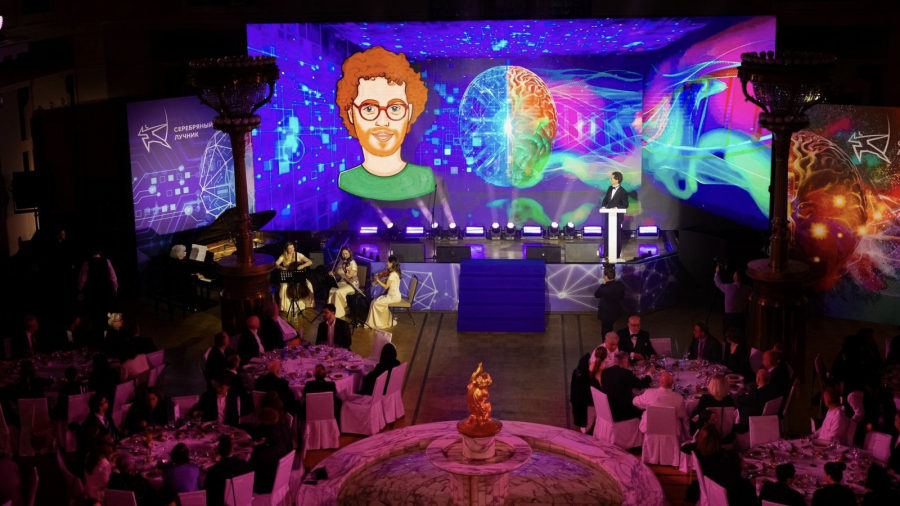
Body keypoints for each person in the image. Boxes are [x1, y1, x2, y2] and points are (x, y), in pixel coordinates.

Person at [335, 46, 435, 201]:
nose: (383, 121)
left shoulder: (425, 179)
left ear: (409, 113)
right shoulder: (346, 180)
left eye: (395, 108)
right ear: (351, 114)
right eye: (369, 108)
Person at [600, 351, 651, 422]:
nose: (628, 364)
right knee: (645, 409)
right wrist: (649, 374)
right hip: (623, 413)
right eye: (627, 362)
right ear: (623, 362)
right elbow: (641, 385)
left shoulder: (605, 372)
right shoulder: (626, 373)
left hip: (609, 410)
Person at [249, 408, 291, 494]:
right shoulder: (281, 429)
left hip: (270, 477)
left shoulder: (272, 434)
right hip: (280, 463)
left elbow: (260, 458)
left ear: (267, 421)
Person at [633, 371, 685, 439]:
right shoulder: (679, 398)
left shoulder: (649, 393)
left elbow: (635, 402)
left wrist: (646, 404)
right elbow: (682, 415)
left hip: (650, 431)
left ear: (660, 382)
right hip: (671, 433)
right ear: (672, 384)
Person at [78, 245, 118, 329]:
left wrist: (81, 292)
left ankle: (97, 331)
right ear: (99, 252)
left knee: (95, 315)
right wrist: (115, 289)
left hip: (93, 293)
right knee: (105, 314)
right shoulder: (107, 261)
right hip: (105, 292)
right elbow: (113, 277)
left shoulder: (87, 263)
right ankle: (105, 331)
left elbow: (82, 280)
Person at [204, 435, 251, 506]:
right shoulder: (243, 465)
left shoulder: (213, 471)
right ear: (232, 449)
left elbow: (208, 495)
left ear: (219, 451)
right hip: (240, 501)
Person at [734, 369, 780, 433]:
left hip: (753, 421)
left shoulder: (757, 394)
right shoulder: (774, 390)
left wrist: (741, 394)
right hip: (767, 419)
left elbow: (740, 400)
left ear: (757, 379)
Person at [713, 264, 752, 336]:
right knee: (740, 334)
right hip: (742, 316)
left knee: (728, 334)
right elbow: (751, 297)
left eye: (735, 274)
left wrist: (717, 273)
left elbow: (718, 283)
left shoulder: (729, 287)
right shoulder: (748, 289)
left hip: (730, 317)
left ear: (736, 277)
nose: (733, 276)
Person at [275, 242, 314, 313]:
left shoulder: (298, 254)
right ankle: (285, 307)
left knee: (308, 284)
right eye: (289, 248)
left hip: (298, 275)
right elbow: (276, 264)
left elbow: (310, 262)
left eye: (292, 247)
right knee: (284, 286)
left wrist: (302, 266)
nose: (292, 249)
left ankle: (308, 304)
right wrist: (281, 268)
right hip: (288, 275)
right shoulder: (283, 256)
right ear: (286, 250)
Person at [366, 256, 402, 329]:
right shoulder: (393, 273)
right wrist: (376, 282)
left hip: (394, 297)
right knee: (373, 302)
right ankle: (373, 322)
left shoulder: (393, 274)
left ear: (391, 263)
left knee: (376, 303)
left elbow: (386, 286)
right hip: (390, 296)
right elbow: (386, 281)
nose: (387, 263)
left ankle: (381, 322)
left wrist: (377, 280)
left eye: (388, 262)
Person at [599, 170, 628, 259]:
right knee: (607, 234)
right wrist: (603, 206)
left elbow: (625, 204)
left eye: (612, 178)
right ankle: (606, 253)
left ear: (617, 180)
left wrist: (615, 208)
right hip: (609, 216)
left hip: (617, 217)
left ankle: (616, 254)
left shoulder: (623, 191)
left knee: (616, 235)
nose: (610, 180)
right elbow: (605, 200)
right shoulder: (610, 188)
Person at [328, 247, 360, 318]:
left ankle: (344, 310)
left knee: (338, 292)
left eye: (346, 253)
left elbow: (350, 276)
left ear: (349, 253)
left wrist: (346, 270)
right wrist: (332, 273)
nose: (344, 255)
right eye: (343, 254)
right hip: (343, 282)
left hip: (352, 284)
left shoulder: (352, 263)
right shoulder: (341, 261)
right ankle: (332, 310)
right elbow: (336, 273)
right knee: (332, 290)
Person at [594, 266, 624, 338]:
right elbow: (622, 297)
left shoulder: (604, 287)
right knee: (610, 328)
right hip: (615, 312)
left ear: (606, 277)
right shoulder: (620, 285)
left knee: (605, 331)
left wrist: (603, 284)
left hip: (606, 314)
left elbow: (596, 295)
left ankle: (606, 343)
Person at [84, 434, 116, 503]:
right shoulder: (104, 464)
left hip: (88, 494)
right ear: (107, 447)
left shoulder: (89, 456)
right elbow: (107, 484)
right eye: (112, 445)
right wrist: (114, 468)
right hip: (99, 499)